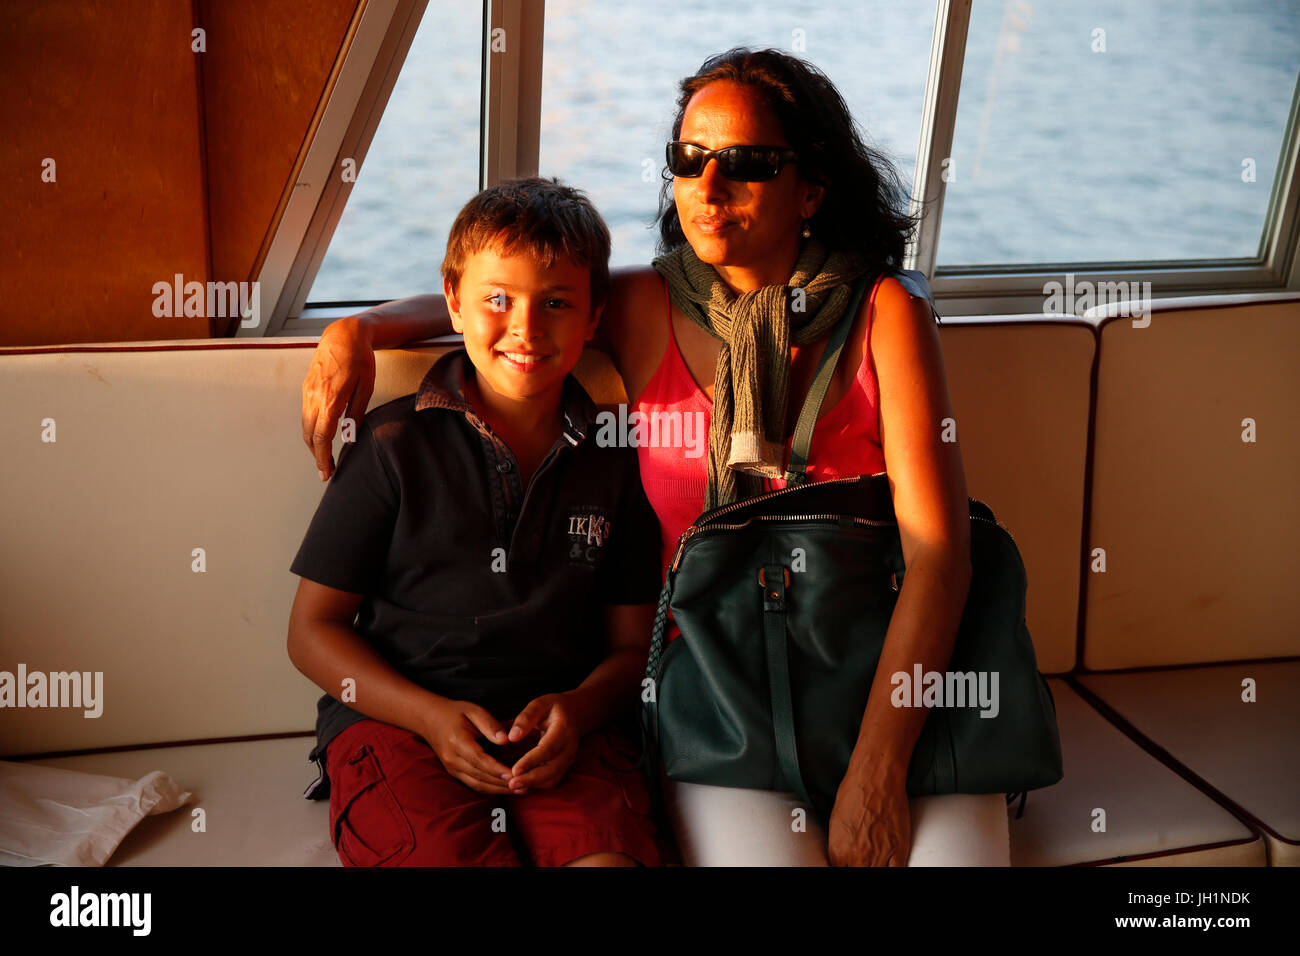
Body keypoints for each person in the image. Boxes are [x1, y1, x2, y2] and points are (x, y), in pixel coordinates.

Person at [299, 48, 1011, 867]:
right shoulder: (645, 305)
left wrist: (880, 770)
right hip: (718, 689)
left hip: (883, 679)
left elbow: (939, 555)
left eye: (747, 165)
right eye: (689, 159)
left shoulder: (886, 312)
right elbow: (513, 297)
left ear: (811, 187)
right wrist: (361, 329)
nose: (709, 189)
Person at [286, 177, 665, 867]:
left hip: (561, 732)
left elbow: (631, 649)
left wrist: (577, 712)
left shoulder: (617, 458)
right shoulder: (392, 445)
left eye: (555, 304)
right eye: (498, 300)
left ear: (594, 317)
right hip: (398, 724)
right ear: (454, 302)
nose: (525, 327)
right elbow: (312, 632)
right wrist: (430, 717)